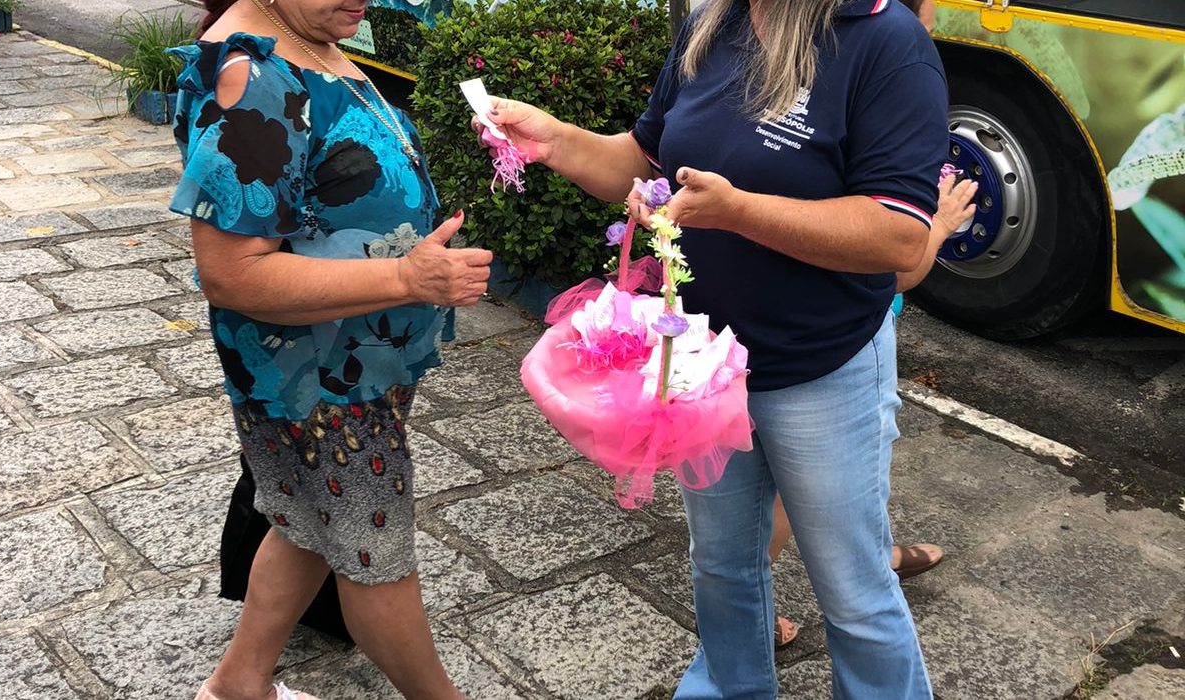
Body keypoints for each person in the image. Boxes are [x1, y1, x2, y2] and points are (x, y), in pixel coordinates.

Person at [477, 0, 947, 696]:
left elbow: (899, 236)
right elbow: (643, 159)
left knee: (853, 590)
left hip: (820, 365)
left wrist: (738, 212)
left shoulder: (884, 39)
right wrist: (557, 140)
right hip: (705, 368)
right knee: (722, 567)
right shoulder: (712, 23)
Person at [173, 2, 491, 699]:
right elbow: (233, 274)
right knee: (376, 553)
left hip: (357, 360)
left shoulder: (308, 34)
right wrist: (407, 278)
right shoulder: (254, 77)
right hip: (317, 379)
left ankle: (238, 685)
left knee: (309, 522)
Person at [764, 0, 979, 648]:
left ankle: (870, 551)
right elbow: (897, 268)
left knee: (857, 466)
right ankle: (757, 593)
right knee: (807, 485)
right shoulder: (887, 65)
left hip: (811, 333)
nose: (929, 31)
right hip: (845, 341)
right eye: (925, 18)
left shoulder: (836, 80)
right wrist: (939, 225)